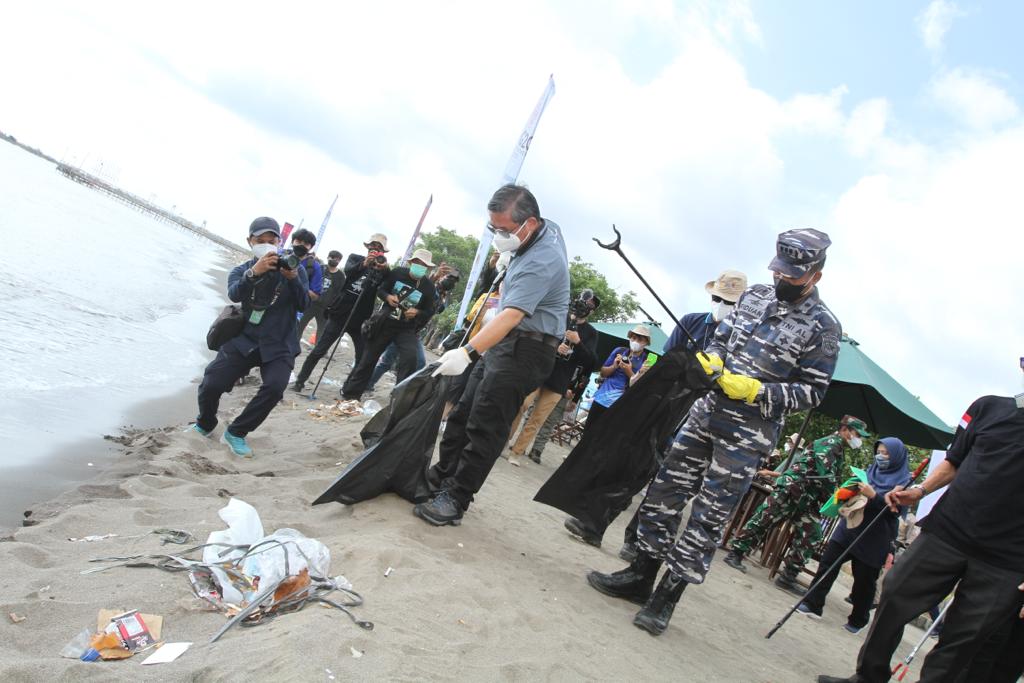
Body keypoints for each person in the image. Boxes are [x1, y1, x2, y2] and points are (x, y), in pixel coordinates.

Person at [587, 228, 841, 636]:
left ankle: (666, 598)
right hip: (705, 413)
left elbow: (812, 391)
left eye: (792, 275)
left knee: (709, 515)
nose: (781, 279)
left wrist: (758, 391)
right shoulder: (754, 296)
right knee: (664, 493)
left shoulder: (823, 327)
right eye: (778, 271)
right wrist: (713, 360)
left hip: (747, 435)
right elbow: (721, 340)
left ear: (815, 276)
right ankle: (640, 576)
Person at [817, 358, 1024, 683]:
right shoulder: (987, 408)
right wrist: (920, 491)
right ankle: (868, 677)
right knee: (895, 593)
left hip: (1007, 560)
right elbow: (954, 462)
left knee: (962, 640)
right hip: (947, 531)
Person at [414, 184, 570, 526]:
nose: (499, 236)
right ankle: (441, 478)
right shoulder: (545, 230)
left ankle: (456, 498)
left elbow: (511, 315)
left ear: (530, 223)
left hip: (528, 348)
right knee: (462, 413)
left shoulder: (541, 261)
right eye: (493, 228)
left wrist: (468, 352)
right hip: (506, 341)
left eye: (505, 230)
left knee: (485, 424)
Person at [189, 217, 308, 457]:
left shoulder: (294, 268)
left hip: (280, 342)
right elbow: (234, 294)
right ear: (249, 241)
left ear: (279, 241)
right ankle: (206, 422)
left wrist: (293, 279)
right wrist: (253, 273)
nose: (266, 244)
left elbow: (304, 304)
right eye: (259, 240)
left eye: (271, 240)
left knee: (275, 388)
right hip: (246, 338)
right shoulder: (242, 270)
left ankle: (236, 432)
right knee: (211, 383)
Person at [723, 416, 868, 595]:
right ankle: (735, 553)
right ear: (845, 429)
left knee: (812, 535)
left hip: (807, 499)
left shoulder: (838, 448)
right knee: (764, 519)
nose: (858, 440)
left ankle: (788, 577)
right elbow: (826, 476)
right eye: (857, 434)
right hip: (792, 490)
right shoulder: (830, 444)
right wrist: (837, 495)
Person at [797, 436, 907, 633]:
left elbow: (895, 512)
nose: (880, 457)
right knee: (827, 564)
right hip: (849, 526)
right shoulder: (870, 471)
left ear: (897, 457)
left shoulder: (904, 483)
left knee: (864, 581)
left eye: (886, 454)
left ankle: (858, 619)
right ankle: (812, 603)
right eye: (878, 452)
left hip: (875, 537)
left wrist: (875, 496)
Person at [506, 292, 600, 466]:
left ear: (592, 311)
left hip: (560, 381)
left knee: (538, 418)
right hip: (538, 370)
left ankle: (517, 452)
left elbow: (591, 361)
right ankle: (503, 441)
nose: (585, 306)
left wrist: (578, 343)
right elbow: (539, 336)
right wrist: (555, 347)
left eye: (590, 305)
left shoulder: (591, 333)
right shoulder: (559, 317)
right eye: (584, 301)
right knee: (521, 404)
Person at [291, 234, 390, 393]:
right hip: (340, 314)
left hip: (361, 319)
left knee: (361, 358)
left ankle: (348, 388)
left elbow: (385, 288)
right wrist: (365, 264)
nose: (375, 250)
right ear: (367, 247)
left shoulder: (383, 269)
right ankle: (300, 381)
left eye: (379, 248)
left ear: (383, 252)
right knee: (319, 350)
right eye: (373, 246)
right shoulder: (355, 258)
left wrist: (384, 269)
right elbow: (349, 273)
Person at [340, 248, 437, 400]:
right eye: (417, 262)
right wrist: (387, 297)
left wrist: (417, 312)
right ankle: (351, 394)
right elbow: (381, 290)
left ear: (428, 268)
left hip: (406, 328)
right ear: (411, 262)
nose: (420, 266)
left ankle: (398, 397)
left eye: (423, 264)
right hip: (385, 322)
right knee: (368, 359)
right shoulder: (398, 273)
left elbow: (429, 311)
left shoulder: (429, 287)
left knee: (410, 358)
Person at [665, 269, 748, 353]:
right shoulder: (689, 321)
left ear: (740, 304)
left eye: (728, 301)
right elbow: (666, 355)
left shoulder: (744, 337)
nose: (720, 304)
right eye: (716, 298)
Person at [586, 325, 653, 426]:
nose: (635, 341)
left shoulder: (646, 361)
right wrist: (614, 366)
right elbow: (603, 373)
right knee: (589, 429)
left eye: (640, 339)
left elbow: (641, 387)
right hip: (601, 398)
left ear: (646, 343)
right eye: (634, 338)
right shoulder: (619, 351)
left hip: (621, 406)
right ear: (629, 338)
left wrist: (628, 371)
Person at [297, 248, 343, 342]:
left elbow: (339, 294)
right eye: (332, 257)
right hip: (311, 303)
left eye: (337, 259)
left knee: (322, 332)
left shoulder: (341, 276)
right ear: (328, 257)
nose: (334, 260)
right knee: (299, 325)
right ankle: (293, 343)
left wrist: (332, 307)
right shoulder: (319, 268)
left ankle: (317, 349)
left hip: (325, 308)